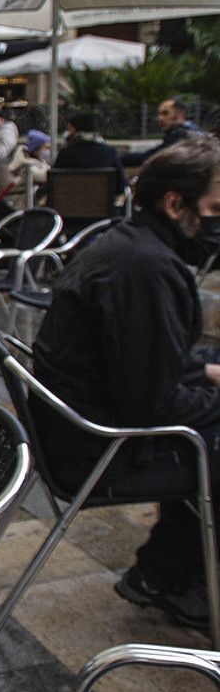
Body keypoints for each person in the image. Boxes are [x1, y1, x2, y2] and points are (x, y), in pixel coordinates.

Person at [31, 138, 220, 630]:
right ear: (175, 203)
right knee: (211, 443)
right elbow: (153, 406)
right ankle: (183, 584)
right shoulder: (145, 269)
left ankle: (163, 573)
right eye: (215, 209)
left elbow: (137, 365)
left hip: (83, 428)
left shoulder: (128, 246)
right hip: (100, 451)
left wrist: (205, 373)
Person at [53, 112, 127, 192]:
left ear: (74, 130)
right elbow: (121, 185)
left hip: (68, 202)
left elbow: (53, 183)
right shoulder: (109, 152)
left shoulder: (66, 154)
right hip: (103, 203)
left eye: (69, 129)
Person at [125, 98, 201, 167]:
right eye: (159, 114)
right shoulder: (195, 131)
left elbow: (153, 157)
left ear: (180, 115)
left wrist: (118, 159)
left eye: (165, 113)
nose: (160, 118)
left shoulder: (179, 135)